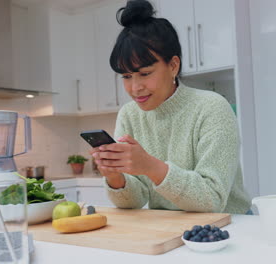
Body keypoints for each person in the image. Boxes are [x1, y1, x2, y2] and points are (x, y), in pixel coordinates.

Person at [89, 0, 251, 214]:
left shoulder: (211, 108)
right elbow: (135, 201)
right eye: (126, 76)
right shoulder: (129, 115)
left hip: (231, 228)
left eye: (145, 73)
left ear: (173, 65)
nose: (135, 87)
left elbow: (213, 199)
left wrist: (150, 166)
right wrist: (114, 176)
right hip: (172, 228)